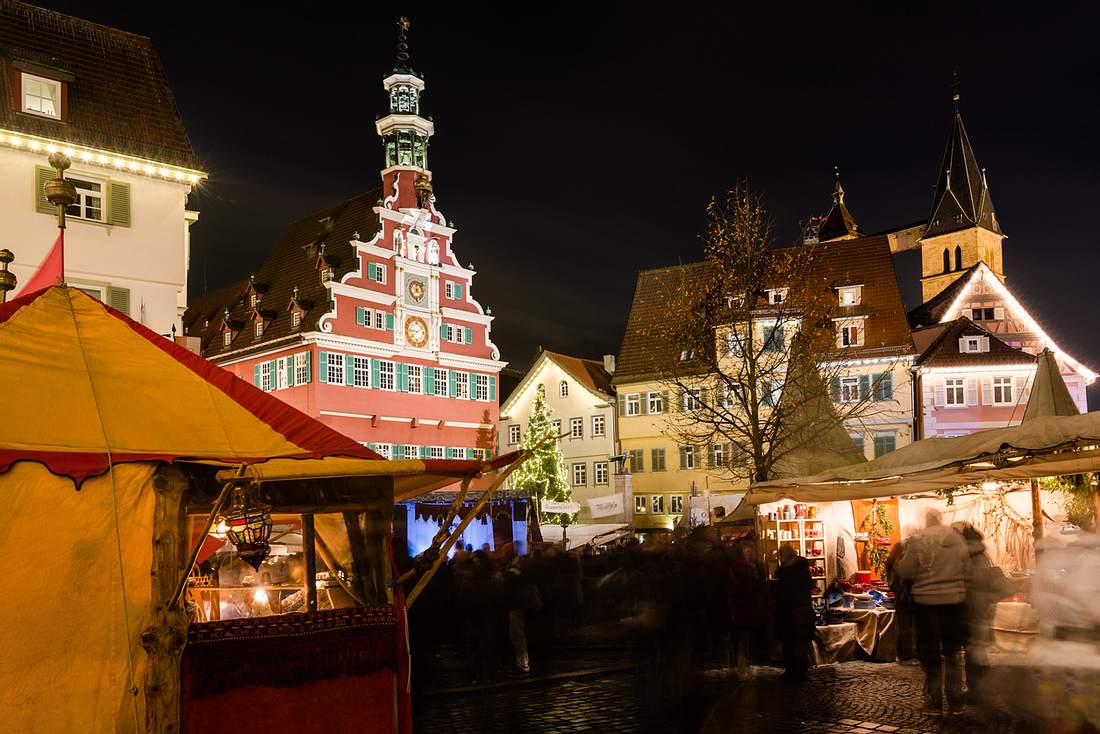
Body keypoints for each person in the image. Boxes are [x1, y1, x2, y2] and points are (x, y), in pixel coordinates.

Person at [896, 509, 970, 713]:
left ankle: (934, 700)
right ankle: (955, 700)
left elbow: (906, 570)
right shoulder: (956, 539)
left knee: (930, 653)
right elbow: (966, 566)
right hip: (954, 601)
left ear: (926, 521)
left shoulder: (919, 541)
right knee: (952, 652)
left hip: (926, 602)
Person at [955, 523, 1010, 700]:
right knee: (977, 651)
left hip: (972, 609)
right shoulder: (983, 556)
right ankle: (980, 688)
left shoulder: (969, 558)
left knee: (973, 652)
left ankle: (977, 690)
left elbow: (970, 584)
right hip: (982, 608)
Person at [772, 543, 814, 682]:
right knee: (799, 643)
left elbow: (785, 590)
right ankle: (799, 671)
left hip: (791, 612)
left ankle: (794, 671)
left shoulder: (788, 571)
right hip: (802, 610)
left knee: (792, 643)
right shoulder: (803, 568)